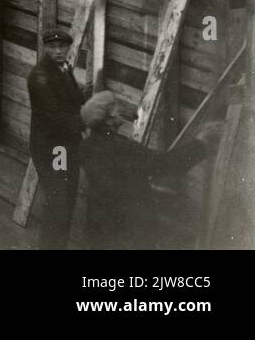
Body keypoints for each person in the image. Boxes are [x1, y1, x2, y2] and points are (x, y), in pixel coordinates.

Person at [79, 91, 219, 250]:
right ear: (109, 119)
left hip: (100, 224)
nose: (121, 111)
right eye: (116, 108)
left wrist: (144, 186)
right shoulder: (122, 148)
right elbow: (167, 164)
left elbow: (115, 179)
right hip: (127, 227)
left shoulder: (87, 146)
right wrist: (201, 143)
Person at [27, 26, 87, 248]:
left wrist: (86, 95)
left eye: (62, 47)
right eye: (53, 47)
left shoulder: (63, 68)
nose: (58, 51)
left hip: (66, 145)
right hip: (52, 148)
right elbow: (54, 117)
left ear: (68, 48)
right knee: (58, 200)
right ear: (46, 48)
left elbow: (72, 98)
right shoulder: (40, 76)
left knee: (67, 197)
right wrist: (87, 119)